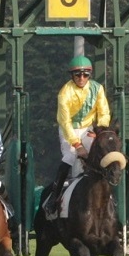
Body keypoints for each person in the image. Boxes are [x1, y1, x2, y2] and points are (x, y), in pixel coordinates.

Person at [43, 55, 111, 218]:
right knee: (70, 156)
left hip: (88, 128)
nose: (81, 78)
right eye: (77, 75)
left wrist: (99, 131)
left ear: (90, 75)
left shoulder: (97, 89)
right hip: (69, 130)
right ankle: (55, 196)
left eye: (85, 74)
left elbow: (104, 112)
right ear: (71, 76)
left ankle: (109, 196)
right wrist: (77, 144)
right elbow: (65, 121)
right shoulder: (65, 93)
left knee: (101, 154)